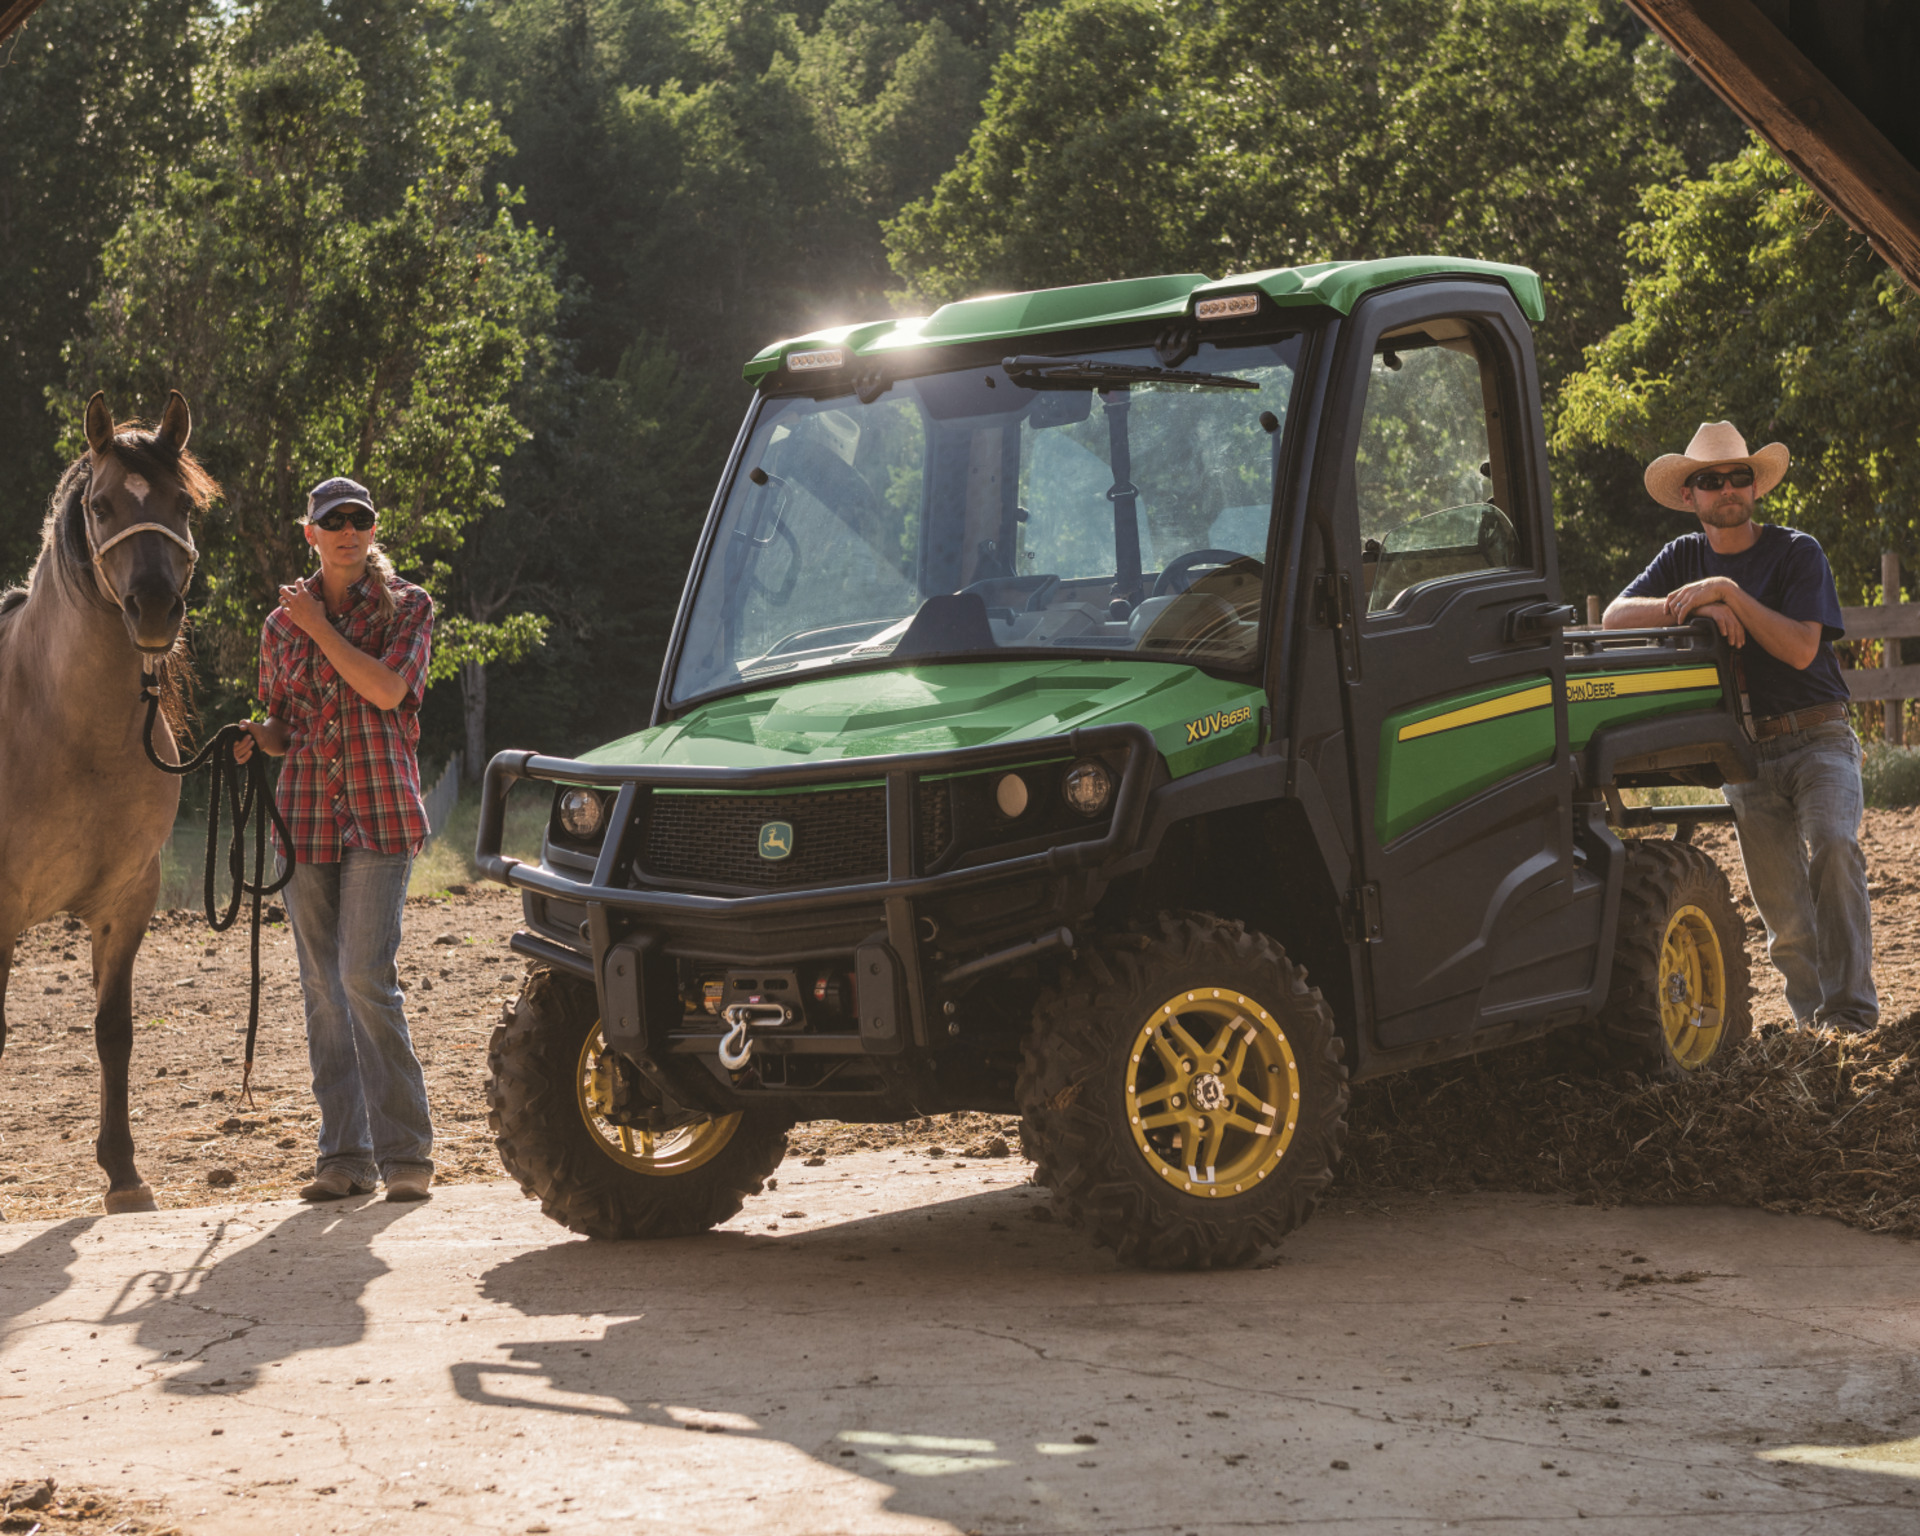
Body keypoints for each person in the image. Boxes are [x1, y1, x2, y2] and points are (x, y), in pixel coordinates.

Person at [1603, 421, 1876, 1035]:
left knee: (1835, 846)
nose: (1726, 487)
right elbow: (1618, 615)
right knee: (1782, 908)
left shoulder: (1796, 551)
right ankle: (1814, 1029)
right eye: (1710, 480)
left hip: (1819, 736)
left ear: (1756, 488)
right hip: (1747, 751)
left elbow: (1803, 648)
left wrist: (1728, 593)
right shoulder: (1682, 557)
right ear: (1689, 496)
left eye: (1738, 476)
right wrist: (1700, 602)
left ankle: (1853, 1016)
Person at [233, 476, 438, 1199]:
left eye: (361, 519)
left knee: (363, 977)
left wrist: (319, 626)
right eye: (334, 520)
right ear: (312, 532)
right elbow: (286, 723)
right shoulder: (275, 627)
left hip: (382, 813)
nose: (349, 529)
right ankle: (344, 1157)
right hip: (306, 818)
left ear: (373, 530)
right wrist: (262, 737)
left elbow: (386, 691)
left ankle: (407, 1153)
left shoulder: (410, 607)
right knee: (322, 987)